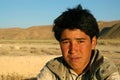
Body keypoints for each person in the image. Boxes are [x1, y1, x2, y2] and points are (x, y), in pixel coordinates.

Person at [37, 4, 120, 80]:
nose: (73, 50)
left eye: (80, 41)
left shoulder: (106, 70)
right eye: (66, 42)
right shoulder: (53, 68)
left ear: (93, 42)